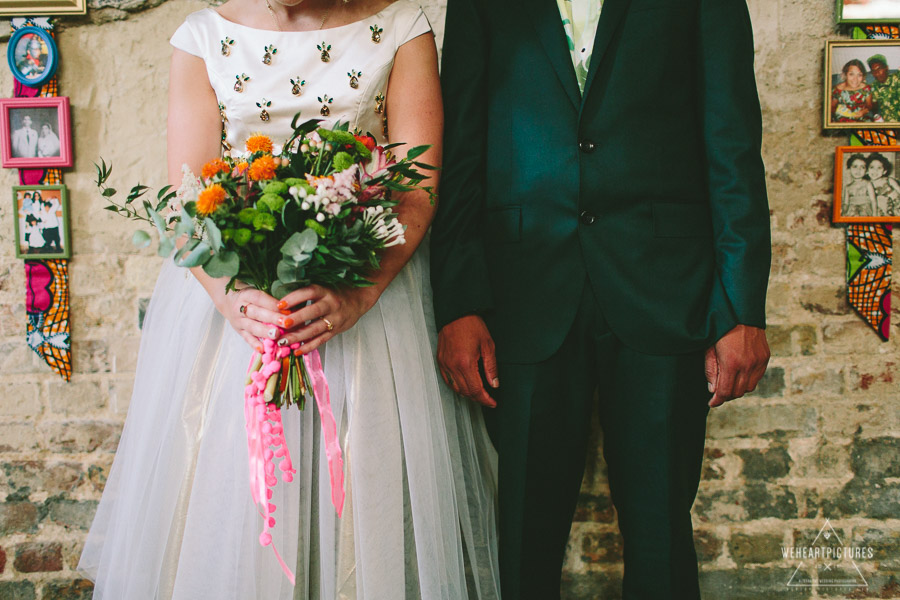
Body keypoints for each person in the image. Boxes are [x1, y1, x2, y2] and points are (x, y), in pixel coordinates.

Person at [78, 1, 500, 599]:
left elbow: (418, 190)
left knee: (366, 497)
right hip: (237, 324)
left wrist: (356, 296)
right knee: (234, 510)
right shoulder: (201, 38)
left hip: (371, 313)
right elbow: (186, 198)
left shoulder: (405, 28)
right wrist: (233, 302)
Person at [432, 0, 772, 598]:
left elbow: (734, 144)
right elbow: (460, 151)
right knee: (521, 532)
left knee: (661, 528)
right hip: (522, 295)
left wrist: (743, 309)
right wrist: (459, 301)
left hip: (665, 288)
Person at [868, 54, 900, 122]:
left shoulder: (897, 78)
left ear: (886, 68)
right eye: (873, 71)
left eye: (879, 68)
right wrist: (876, 116)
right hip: (888, 122)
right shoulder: (874, 86)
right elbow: (874, 106)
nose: (877, 73)